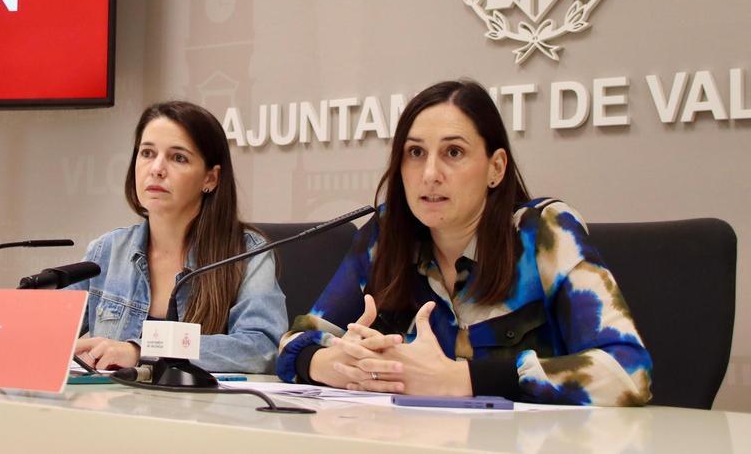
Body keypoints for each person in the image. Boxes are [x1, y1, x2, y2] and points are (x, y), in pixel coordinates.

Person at [276, 80, 652, 406]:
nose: (429, 174)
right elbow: (294, 340)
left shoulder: (545, 232)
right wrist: (339, 365)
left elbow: (627, 371)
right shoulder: (386, 233)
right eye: (415, 153)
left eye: (453, 153)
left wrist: (461, 379)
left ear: (496, 168)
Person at [69, 100, 286, 373]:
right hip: (112, 409)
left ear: (211, 179)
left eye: (178, 158)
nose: (157, 169)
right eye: (147, 153)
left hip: (198, 414)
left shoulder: (248, 254)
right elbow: (46, 332)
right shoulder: (107, 251)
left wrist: (142, 350)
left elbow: (262, 348)